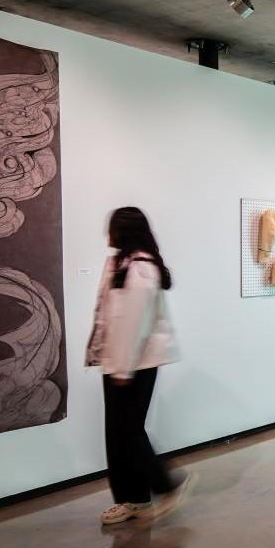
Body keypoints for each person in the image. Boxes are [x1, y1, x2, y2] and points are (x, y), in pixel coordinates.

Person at [87, 207, 193, 524]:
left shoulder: (141, 269)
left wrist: (122, 369)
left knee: (127, 431)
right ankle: (133, 499)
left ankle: (165, 484)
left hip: (133, 364)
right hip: (118, 362)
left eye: (112, 228)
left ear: (124, 231)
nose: (107, 234)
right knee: (118, 434)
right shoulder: (120, 263)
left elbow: (135, 323)